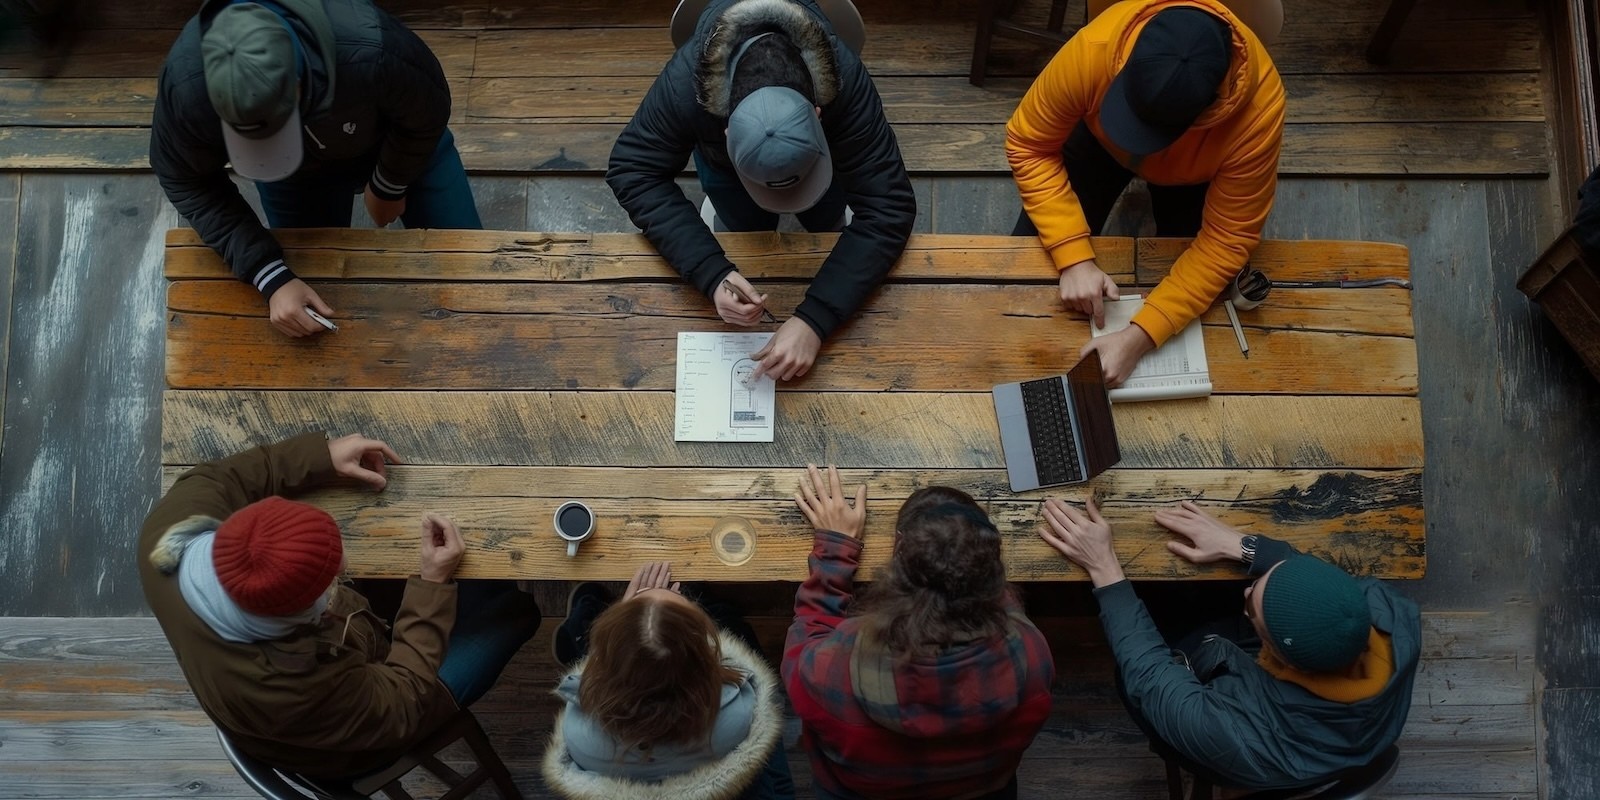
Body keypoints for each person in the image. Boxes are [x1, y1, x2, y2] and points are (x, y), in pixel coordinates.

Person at [137, 432, 539, 779]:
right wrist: (432, 583)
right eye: (329, 579)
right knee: (514, 612)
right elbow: (403, 701)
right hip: (360, 739)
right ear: (307, 612)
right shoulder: (292, 689)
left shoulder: (169, 536)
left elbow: (221, 477)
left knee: (471, 586)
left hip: (331, 680)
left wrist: (321, 457)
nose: (342, 565)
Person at [607, 0, 916, 383]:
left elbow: (890, 207)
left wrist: (814, 321)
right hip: (727, 174)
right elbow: (632, 169)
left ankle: (828, 212)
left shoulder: (845, 82)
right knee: (740, 221)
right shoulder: (683, 88)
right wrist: (709, 270)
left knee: (828, 213)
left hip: (823, 170)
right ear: (727, 132)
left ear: (818, 114)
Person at [1037, 498, 1421, 791]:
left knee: (1129, 671)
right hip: (1337, 733)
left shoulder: (1232, 732)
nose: (1249, 587)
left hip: (1240, 751)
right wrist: (1244, 547)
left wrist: (1103, 565)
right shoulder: (1388, 613)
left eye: (1252, 605)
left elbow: (1149, 674)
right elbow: (1318, 580)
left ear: (1277, 657)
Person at [150, 0, 481, 339]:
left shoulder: (371, 48)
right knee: (310, 299)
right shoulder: (186, 87)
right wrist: (269, 275)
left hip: (401, 146)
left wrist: (389, 184)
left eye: (275, 132)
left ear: (297, 84)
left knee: (474, 277)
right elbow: (185, 178)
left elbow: (428, 111)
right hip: (296, 179)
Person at [1006, 0, 1285, 385]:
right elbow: (1028, 143)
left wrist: (1139, 337)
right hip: (1095, 146)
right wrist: (1072, 256)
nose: (1139, 143)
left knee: (1201, 291)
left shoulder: (1260, 113)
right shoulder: (1095, 49)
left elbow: (1227, 239)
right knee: (1017, 282)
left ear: (1211, 107)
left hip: (1192, 177)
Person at [783, 468, 1055, 799]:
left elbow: (804, 643)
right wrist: (968, 557)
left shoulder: (834, 670)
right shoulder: (1032, 653)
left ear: (897, 558)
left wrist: (835, 551)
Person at [542, 561, 794, 799]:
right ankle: (714, 606)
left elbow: (602, 675)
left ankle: (581, 623)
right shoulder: (740, 713)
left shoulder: (579, 737)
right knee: (739, 632)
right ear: (704, 658)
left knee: (589, 625)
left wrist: (626, 623)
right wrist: (664, 625)